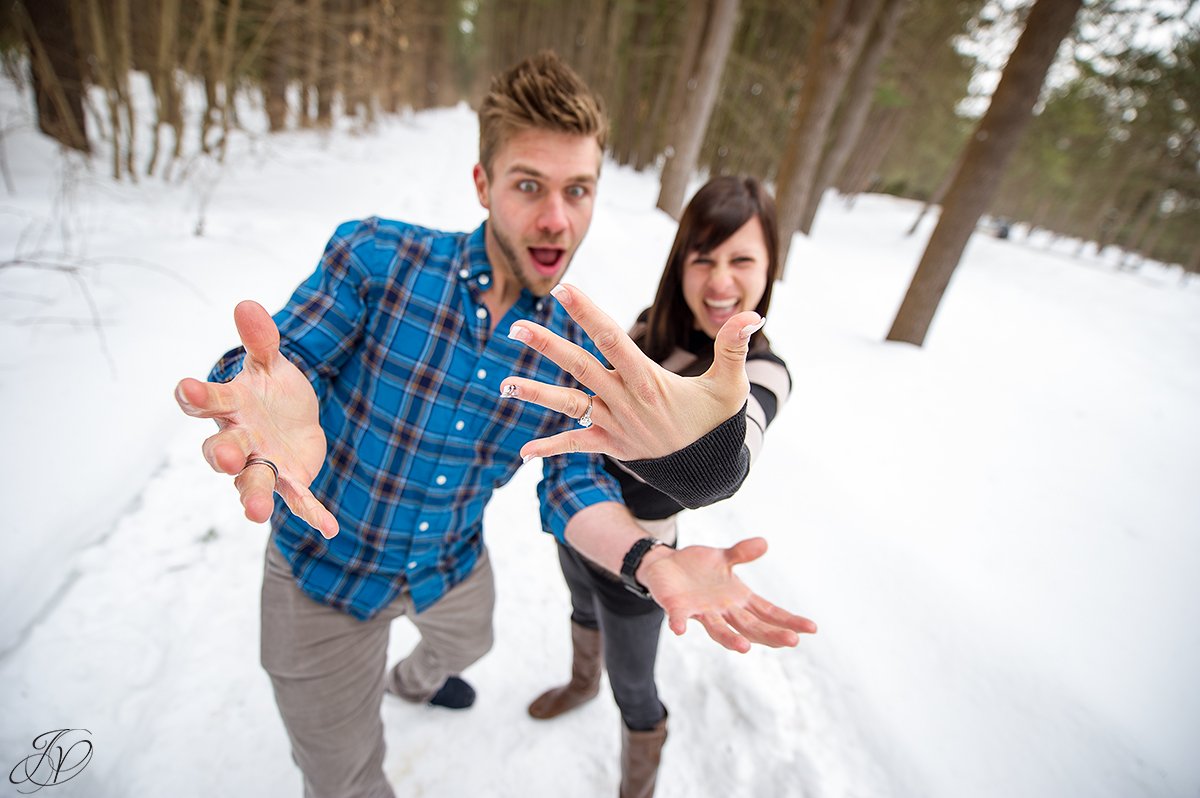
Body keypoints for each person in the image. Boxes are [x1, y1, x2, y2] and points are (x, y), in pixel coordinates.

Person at [174, 53, 813, 798]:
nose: (556, 219)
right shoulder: (379, 258)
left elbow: (573, 480)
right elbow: (285, 360)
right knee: (344, 783)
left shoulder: (565, 350)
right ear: (482, 184)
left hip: (449, 568)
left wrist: (647, 561)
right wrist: (253, 390)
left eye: (578, 191)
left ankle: (412, 682)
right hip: (323, 575)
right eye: (528, 186)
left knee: (470, 641)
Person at [501, 176, 790, 798]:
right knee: (580, 608)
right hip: (580, 524)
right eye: (704, 257)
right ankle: (581, 684)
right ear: (680, 260)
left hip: (646, 556)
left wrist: (698, 450)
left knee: (633, 683)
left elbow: (728, 464)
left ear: (772, 269)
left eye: (742, 260)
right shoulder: (645, 332)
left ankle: (639, 775)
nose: (720, 281)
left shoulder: (764, 372)